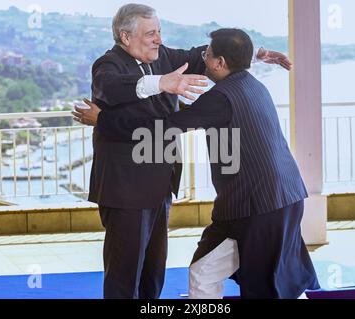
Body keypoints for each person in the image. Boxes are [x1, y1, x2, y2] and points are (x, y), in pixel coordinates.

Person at [86, 3, 294, 299]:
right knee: (124, 272)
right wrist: (161, 82)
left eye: (159, 31)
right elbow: (110, 88)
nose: (158, 38)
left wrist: (253, 54)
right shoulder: (107, 66)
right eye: (150, 33)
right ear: (125, 36)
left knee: (153, 270)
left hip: (160, 184)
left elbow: (207, 54)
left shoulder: (165, 57)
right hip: (126, 189)